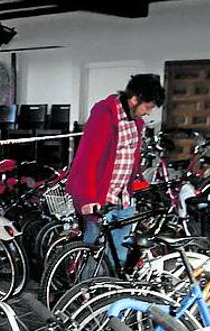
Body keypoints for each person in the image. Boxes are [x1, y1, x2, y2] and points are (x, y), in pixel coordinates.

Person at [66, 73, 166, 271]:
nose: (147, 112)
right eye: (148, 106)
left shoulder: (137, 123)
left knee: (119, 253)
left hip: (124, 198)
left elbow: (130, 159)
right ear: (134, 99)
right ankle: (84, 294)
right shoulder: (104, 115)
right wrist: (87, 199)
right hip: (99, 198)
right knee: (93, 252)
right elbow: (88, 158)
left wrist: (140, 182)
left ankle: (108, 292)